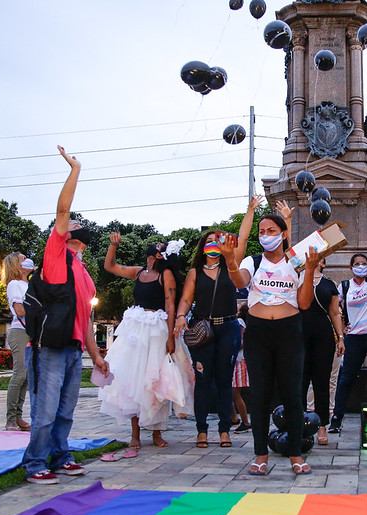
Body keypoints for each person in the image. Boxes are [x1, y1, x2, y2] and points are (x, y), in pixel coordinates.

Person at [22, 146, 109, 485]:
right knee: (44, 412)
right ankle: (34, 463)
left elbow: (86, 319)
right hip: (48, 349)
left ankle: (60, 456)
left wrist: (96, 356)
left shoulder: (84, 273)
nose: (76, 223)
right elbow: (62, 209)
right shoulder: (56, 257)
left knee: (64, 412)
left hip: (73, 349)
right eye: (74, 222)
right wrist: (75, 170)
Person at [227, 199, 319, 475]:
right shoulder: (252, 261)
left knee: (292, 395)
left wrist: (311, 269)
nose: (265, 236)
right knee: (260, 395)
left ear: (282, 234)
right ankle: (260, 455)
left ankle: (295, 454)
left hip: (289, 332)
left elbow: (304, 304)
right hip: (258, 333)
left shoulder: (295, 262)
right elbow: (240, 282)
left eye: (270, 230)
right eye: (261, 232)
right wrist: (230, 260)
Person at [98, 233, 186, 448]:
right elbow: (110, 266)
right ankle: (135, 434)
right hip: (135, 331)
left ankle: (157, 432)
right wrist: (113, 245)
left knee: (155, 379)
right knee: (132, 380)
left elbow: (170, 305)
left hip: (156, 329)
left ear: (157, 256)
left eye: (153, 252)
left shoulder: (166, 276)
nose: (149, 256)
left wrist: (171, 336)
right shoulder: (139, 272)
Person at [173, 230, 242, 450]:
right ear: (202, 246)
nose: (213, 245)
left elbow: (244, 235)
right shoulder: (195, 272)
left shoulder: (231, 267)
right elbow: (185, 299)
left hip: (228, 328)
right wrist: (181, 316)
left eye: (217, 242)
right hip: (202, 330)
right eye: (208, 241)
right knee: (202, 380)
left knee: (224, 380)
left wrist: (251, 211)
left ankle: (224, 430)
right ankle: (201, 430)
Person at [328, 208, 367, 434]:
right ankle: (337, 419)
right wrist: (341, 330)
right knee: (346, 379)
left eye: (364, 263)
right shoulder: (344, 287)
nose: (361, 266)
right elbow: (334, 308)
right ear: (351, 267)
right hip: (355, 338)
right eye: (357, 263)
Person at [301, 256, 345, 446]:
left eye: (318, 258)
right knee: (300, 383)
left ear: (323, 263)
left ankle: (321, 426)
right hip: (299, 335)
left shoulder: (329, 284)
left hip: (323, 335)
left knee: (321, 382)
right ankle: (300, 425)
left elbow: (335, 312)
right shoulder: (297, 279)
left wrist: (341, 337)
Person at [1, 252, 35, 432]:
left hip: (31, 332)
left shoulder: (30, 284)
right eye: (23, 258)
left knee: (27, 378)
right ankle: (11, 419)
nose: (27, 260)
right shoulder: (15, 284)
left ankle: (19, 416)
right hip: (20, 331)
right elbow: (20, 311)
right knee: (19, 374)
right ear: (16, 264)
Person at [231, 303, 251, 434]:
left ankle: (245, 422)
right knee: (231, 393)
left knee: (235, 393)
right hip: (238, 359)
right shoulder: (245, 323)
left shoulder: (239, 323)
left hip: (238, 360)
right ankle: (234, 418)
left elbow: (241, 342)